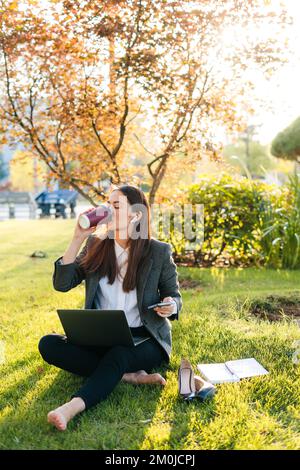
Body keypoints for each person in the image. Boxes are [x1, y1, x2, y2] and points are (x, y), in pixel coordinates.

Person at [38, 184, 182, 431]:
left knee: (119, 355)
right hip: (101, 335)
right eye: (108, 203)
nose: (108, 209)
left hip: (143, 338)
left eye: (116, 205)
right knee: (48, 344)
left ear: (136, 214)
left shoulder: (158, 251)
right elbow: (62, 284)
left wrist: (170, 305)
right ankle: (129, 376)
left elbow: (174, 296)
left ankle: (72, 407)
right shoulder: (96, 244)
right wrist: (77, 238)